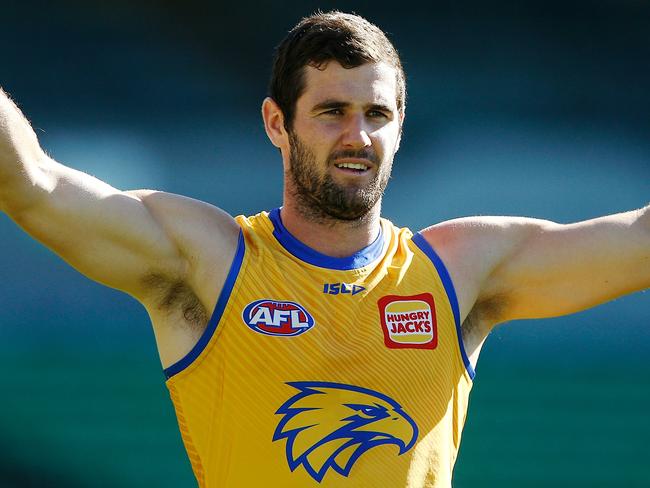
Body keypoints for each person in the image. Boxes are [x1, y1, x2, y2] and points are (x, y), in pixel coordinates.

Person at [0, 10, 647, 488]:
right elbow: (34, 184)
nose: (358, 136)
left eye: (378, 114)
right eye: (332, 111)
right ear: (277, 123)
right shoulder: (212, 261)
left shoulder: (459, 270)